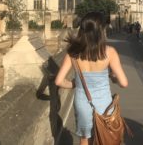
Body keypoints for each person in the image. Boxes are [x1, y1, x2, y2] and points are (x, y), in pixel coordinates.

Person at [55, 12, 128, 145]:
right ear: (100, 31)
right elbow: (124, 83)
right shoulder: (109, 52)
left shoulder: (73, 53)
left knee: (85, 138)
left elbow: (59, 81)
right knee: (106, 137)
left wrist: (75, 84)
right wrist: (113, 77)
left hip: (82, 103)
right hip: (104, 105)